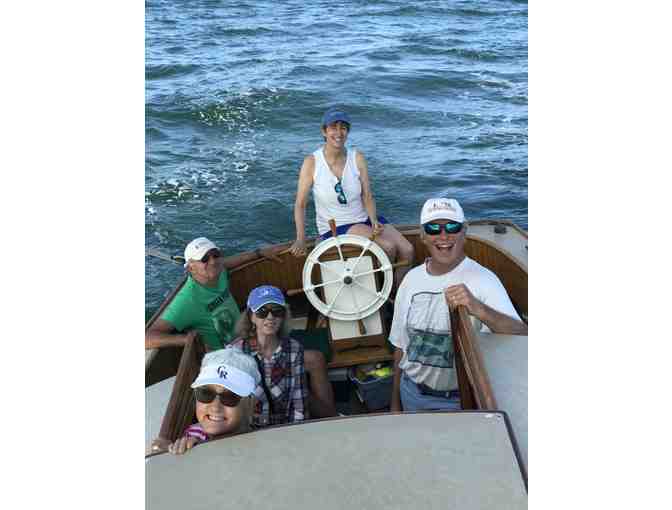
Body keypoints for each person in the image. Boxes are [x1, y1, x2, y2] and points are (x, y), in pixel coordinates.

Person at [389, 198, 527, 412]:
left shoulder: (484, 280)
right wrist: (395, 402)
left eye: (452, 227)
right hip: (411, 394)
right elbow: (400, 346)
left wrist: (478, 308)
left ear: (464, 232)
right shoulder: (410, 280)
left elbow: (521, 335)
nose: (443, 236)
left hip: (458, 401)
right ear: (423, 236)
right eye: (433, 228)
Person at [289, 107, 414, 286]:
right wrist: (300, 239)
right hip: (337, 226)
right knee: (388, 247)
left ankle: (397, 293)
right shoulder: (312, 162)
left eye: (343, 128)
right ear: (324, 131)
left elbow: (367, 195)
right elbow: (300, 204)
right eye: (333, 127)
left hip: (364, 219)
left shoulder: (357, 157)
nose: (339, 133)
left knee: (408, 250)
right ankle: (383, 296)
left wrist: (374, 221)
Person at [145, 237, 282, 351]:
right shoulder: (186, 300)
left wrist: (258, 253)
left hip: (245, 336)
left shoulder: (218, 271)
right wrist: (187, 340)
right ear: (191, 267)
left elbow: (229, 262)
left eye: (215, 255)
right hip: (226, 354)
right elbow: (146, 339)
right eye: (204, 259)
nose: (213, 261)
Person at [230, 285, 336, 426]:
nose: (270, 317)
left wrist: (294, 434)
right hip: (250, 430)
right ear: (251, 317)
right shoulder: (235, 353)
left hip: (285, 428)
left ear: (284, 316)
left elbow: (299, 404)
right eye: (262, 312)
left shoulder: (294, 349)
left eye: (277, 311)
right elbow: (232, 406)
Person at [152, 348, 261, 455]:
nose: (215, 407)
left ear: (251, 404)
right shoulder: (193, 436)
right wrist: (178, 449)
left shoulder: (263, 439)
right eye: (205, 393)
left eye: (230, 397)